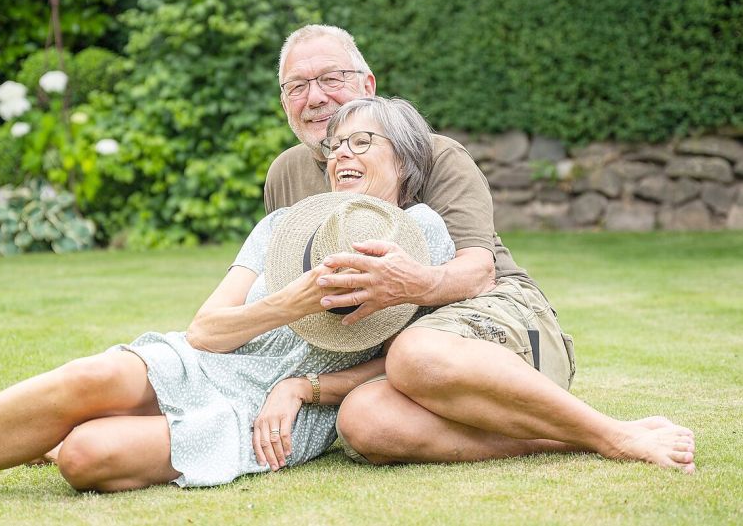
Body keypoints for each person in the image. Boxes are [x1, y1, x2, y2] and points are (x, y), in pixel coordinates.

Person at [0, 101, 456, 510]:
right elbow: (206, 330)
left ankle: (45, 441)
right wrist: (288, 300)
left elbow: (407, 360)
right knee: (90, 377)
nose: (341, 152)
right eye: (334, 144)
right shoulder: (286, 225)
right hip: (212, 362)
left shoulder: (423, 232)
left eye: (360, 141)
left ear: (404, 157)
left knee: (87, 456)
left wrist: (305, 386)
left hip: (276, 410)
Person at [266, 25, 696, 472]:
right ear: (284, 103)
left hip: (497, 324)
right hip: (392, 363)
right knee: (363, 422)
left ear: (366, 84)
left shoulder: (435, 155)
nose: (314, 97)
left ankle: (616, 435)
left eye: (331, 79)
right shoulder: (286, 175)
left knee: (415, 353)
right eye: (297, 86)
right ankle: (564, 439)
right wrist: (295, 383)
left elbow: (477, 273)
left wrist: (411, 283)